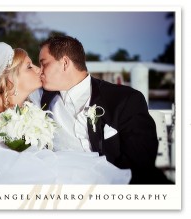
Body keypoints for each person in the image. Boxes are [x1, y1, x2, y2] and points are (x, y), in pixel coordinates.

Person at [0, 42, 131, 184]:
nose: (39, 70)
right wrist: (0, 161)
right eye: (30, 66)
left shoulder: (33, 106)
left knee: (80, 174)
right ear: (11, 79)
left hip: (30, 165)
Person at [38, 35, 173, 184]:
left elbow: (140, 161)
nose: (40, 71)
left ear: (64, 63)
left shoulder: (126, 99)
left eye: (44, 64)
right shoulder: (43, 99)